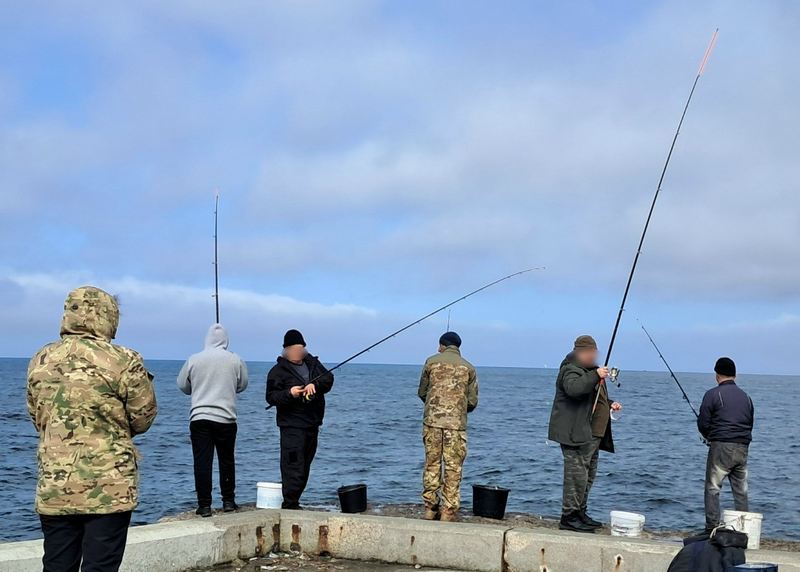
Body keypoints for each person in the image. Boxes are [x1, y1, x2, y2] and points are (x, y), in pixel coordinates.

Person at [27, 286, 157, 572]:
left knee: (57, 565)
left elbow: (37, 416)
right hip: (108, 487)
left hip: (55, 485)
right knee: (100, 567)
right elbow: (143, 417)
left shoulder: (41, 359)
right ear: (108, 317)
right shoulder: (124, 359)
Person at [548, 335, 622, 533]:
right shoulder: (570, 370)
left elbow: (592, 395)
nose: (594, 356)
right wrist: (596, 374)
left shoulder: (590, 372)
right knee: (575, 477)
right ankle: (568, 516)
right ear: (580, 353)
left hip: (592, 434)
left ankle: (580, 512)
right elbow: (575, 389)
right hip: (575, 434)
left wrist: (609, 403)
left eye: (595, 352)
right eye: (590, 353)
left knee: (588, 476)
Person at [177, 323, 249, 517]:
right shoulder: (235, 360)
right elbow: (242, 385)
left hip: (200, 418)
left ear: (206, 339)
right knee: (227, 460)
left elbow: (182, 385)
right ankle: (228, 501)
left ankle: (204, 505)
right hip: (226, 418)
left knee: (202, 462)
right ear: (226, 340)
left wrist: (198, 388)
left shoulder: (194, 359)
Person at [266, 329, 334, 509]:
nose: (298, 353)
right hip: (291, 426)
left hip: (312, 422)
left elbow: (328, 379)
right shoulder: (277, 371)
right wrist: (291, 393)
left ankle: (295, 500)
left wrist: (315, 385)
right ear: (286, 350)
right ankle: (289, 503)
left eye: (300, 349)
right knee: (292, 465)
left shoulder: (313, 363)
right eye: (294, 349)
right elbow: (271, 397)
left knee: (305, 464)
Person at [417, 331, 478, 522]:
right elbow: (473, 401)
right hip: (456, 427)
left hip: (432, 423)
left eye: (439, 345)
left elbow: (422, 392)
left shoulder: (431, 362)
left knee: (432, 464)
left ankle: (429, 508)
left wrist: (435, 407)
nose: (438, 349)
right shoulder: (469, 367)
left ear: (443, 345)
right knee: (453, 468)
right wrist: (457, 411)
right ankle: (448, 511)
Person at [697, 357, 754, 532]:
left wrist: (710, 437)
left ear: (717, 375)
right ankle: (744, 530)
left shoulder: (713, 394)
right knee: (741, 490)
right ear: (735, 375)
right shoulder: (746, 397)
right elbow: (749, 422)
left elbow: (703, 423)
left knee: (713, 488)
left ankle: (712, 527)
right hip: (743, 447)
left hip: (721, 446)